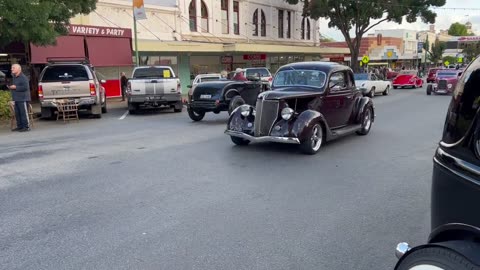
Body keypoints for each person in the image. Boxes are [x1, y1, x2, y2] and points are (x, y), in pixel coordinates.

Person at [8, 64, 31, 132]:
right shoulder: (14, 77)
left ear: (19, 69)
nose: (11, 69)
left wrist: (15, 87)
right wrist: (11, 87)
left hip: (23, 98)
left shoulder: (23, 77)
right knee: (18, 113)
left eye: (13, 68)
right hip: (16, 98)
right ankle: (20, 126)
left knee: (23, 113)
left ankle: (26, 127)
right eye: (12, 68)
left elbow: (25, 87)